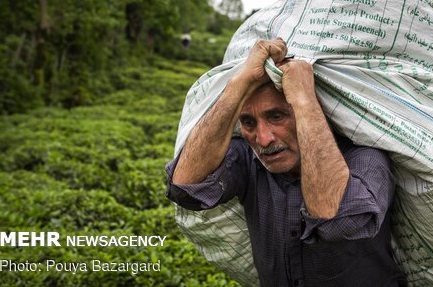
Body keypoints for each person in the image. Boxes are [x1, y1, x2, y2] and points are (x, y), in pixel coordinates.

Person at [165, 38, 406, 287]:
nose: (263, 139)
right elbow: (184, 188)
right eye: (248, 122)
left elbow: (339, 225)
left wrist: (303, 99)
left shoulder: (365, 158)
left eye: (277, 116)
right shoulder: (249, 159)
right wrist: (239, 85)